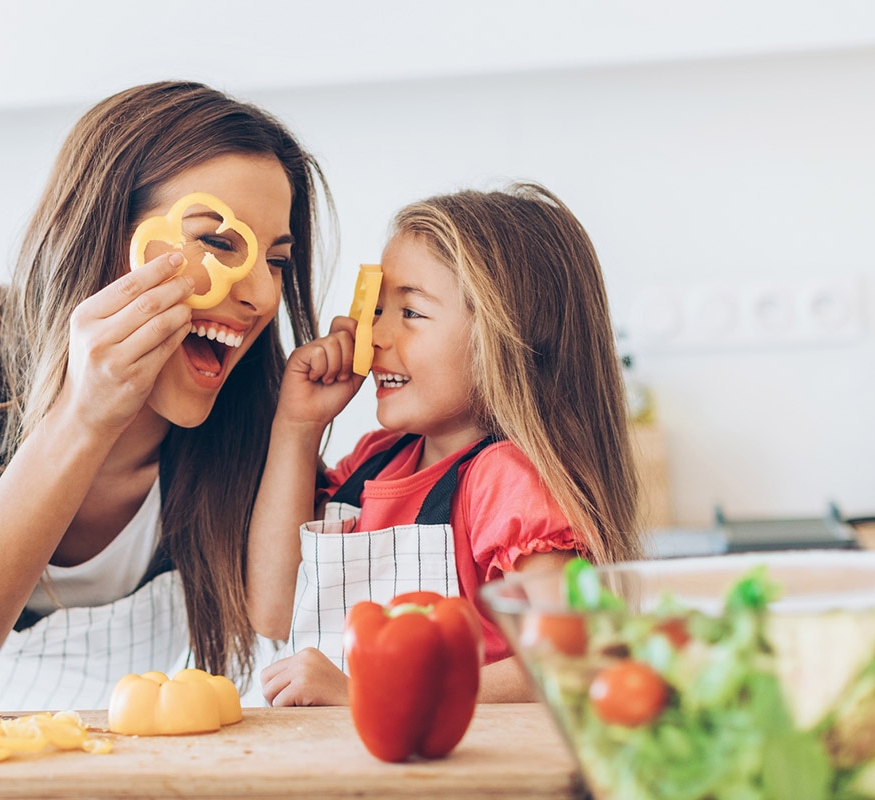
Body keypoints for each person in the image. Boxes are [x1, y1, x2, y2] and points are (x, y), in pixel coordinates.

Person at [0, 81, 328, 717]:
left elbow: (282, 629)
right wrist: (83, 417)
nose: (262, 297)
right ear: (105, 234)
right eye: (217, 243)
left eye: (277, 261)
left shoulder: (256, 412)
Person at [245, 183, 641, 706]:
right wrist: (297, 427)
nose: (374, 337)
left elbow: (571, 659)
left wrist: (373, 693)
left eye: (410, 312)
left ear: (503, 339)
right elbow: (275, 611)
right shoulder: (374, 463)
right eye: (377, 311)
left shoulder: (506, 481)